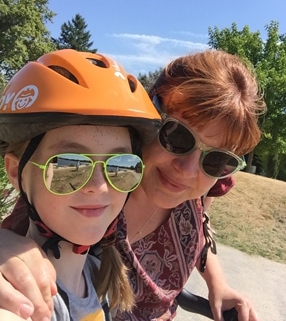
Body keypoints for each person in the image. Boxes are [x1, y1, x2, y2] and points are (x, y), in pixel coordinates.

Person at [0, 50, 266, 321]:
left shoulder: (197, 188)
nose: (188, 170)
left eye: (218, 160)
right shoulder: (80, 192)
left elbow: (203, 222)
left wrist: (217, 283)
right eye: (178, 137)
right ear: (150, 117)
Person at [0, 49, 161, 320]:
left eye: (120, 166)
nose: (99, 186)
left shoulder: (99, 275)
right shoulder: (23, 301)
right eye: (69, 164)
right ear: (16, 172)